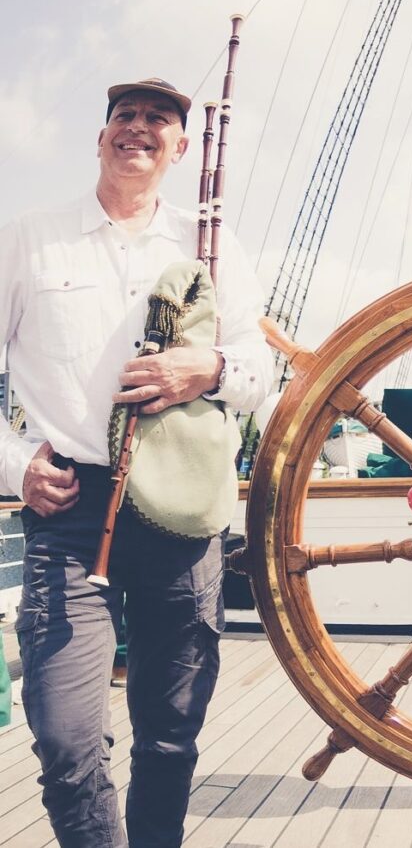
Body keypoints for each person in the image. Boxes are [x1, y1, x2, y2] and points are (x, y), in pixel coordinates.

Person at [0, 78, 272, 847]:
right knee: (66, 738)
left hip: (183, 513)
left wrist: (206, 369)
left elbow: (260, 371)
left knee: (169, 732)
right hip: (66, 506)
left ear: (180, 149)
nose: (140, 129)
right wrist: (15, 465)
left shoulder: (209, 244)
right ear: (100, 136)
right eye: (125, 115)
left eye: (160, 121)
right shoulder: (27, 237)